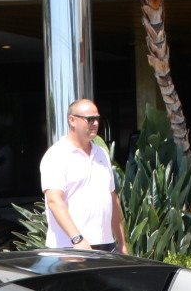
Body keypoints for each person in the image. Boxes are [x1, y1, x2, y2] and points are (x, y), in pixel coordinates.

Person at [40, 98, 128, 253]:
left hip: (105, 244)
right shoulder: (57, 155)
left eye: (97, 119)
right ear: (72, 120)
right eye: (90, 119)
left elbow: (112, 197)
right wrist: (77, 239)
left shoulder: (101, 153)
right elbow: (54, 200)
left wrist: (121, 243)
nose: (95, 123)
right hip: (68, 247)